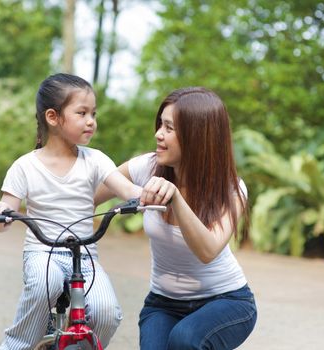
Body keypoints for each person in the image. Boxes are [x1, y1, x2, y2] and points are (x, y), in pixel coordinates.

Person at [0, 73, 143, 350]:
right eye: (82, 113)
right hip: (42, 252)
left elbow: (129, 190)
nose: (91, 121)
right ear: (52, 117)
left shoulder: (95, 160)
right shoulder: (25, 166)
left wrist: (149, 194)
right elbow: (4, 219)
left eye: (93, 113)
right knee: (43, 286)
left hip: (85, 256)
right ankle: (17, 345)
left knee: (107, 313)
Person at [95, 87, 257, 349]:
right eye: (160, 124)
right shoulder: (146, 167)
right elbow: (88, 197)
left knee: (184, 340)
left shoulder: (231, 188)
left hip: (226, 301)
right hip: (163, 304)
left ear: (197, 137)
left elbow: (208, 250)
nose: (158, 134)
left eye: (169, 128)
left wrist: (177, 200)